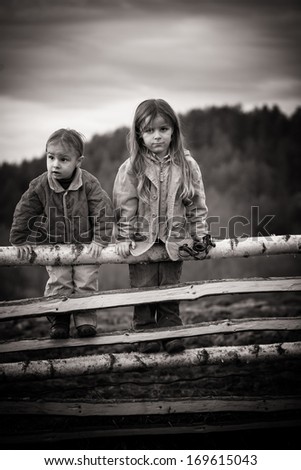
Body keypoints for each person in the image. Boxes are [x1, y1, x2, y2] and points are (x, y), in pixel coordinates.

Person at [113, 99, 211, 354]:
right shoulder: (132, 167)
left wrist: (200, 233)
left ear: (173, 131)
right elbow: (125, 205)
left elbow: (196, 203)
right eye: (149, 131)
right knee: (143, 287)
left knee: (170, 287)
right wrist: (123, 236)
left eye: (163, 129)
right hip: (142, 242)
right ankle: (145, 331)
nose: (157, 136)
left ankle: (171, 329)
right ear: (139, 134)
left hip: (174, 241)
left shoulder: (187, 166)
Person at [10, 128, 113, 339]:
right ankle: (59, 319)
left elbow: (103, 210)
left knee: (86, 282)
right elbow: (25, 210)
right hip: (55, 246)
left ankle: (85, 321)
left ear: (78, 161)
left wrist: (100, 239)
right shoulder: (40, 185)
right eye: (51, 157)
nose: (55, 164)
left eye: (63, 159)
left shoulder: (89, 184)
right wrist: (19, 240)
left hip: (86, 246)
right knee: (60, 282)